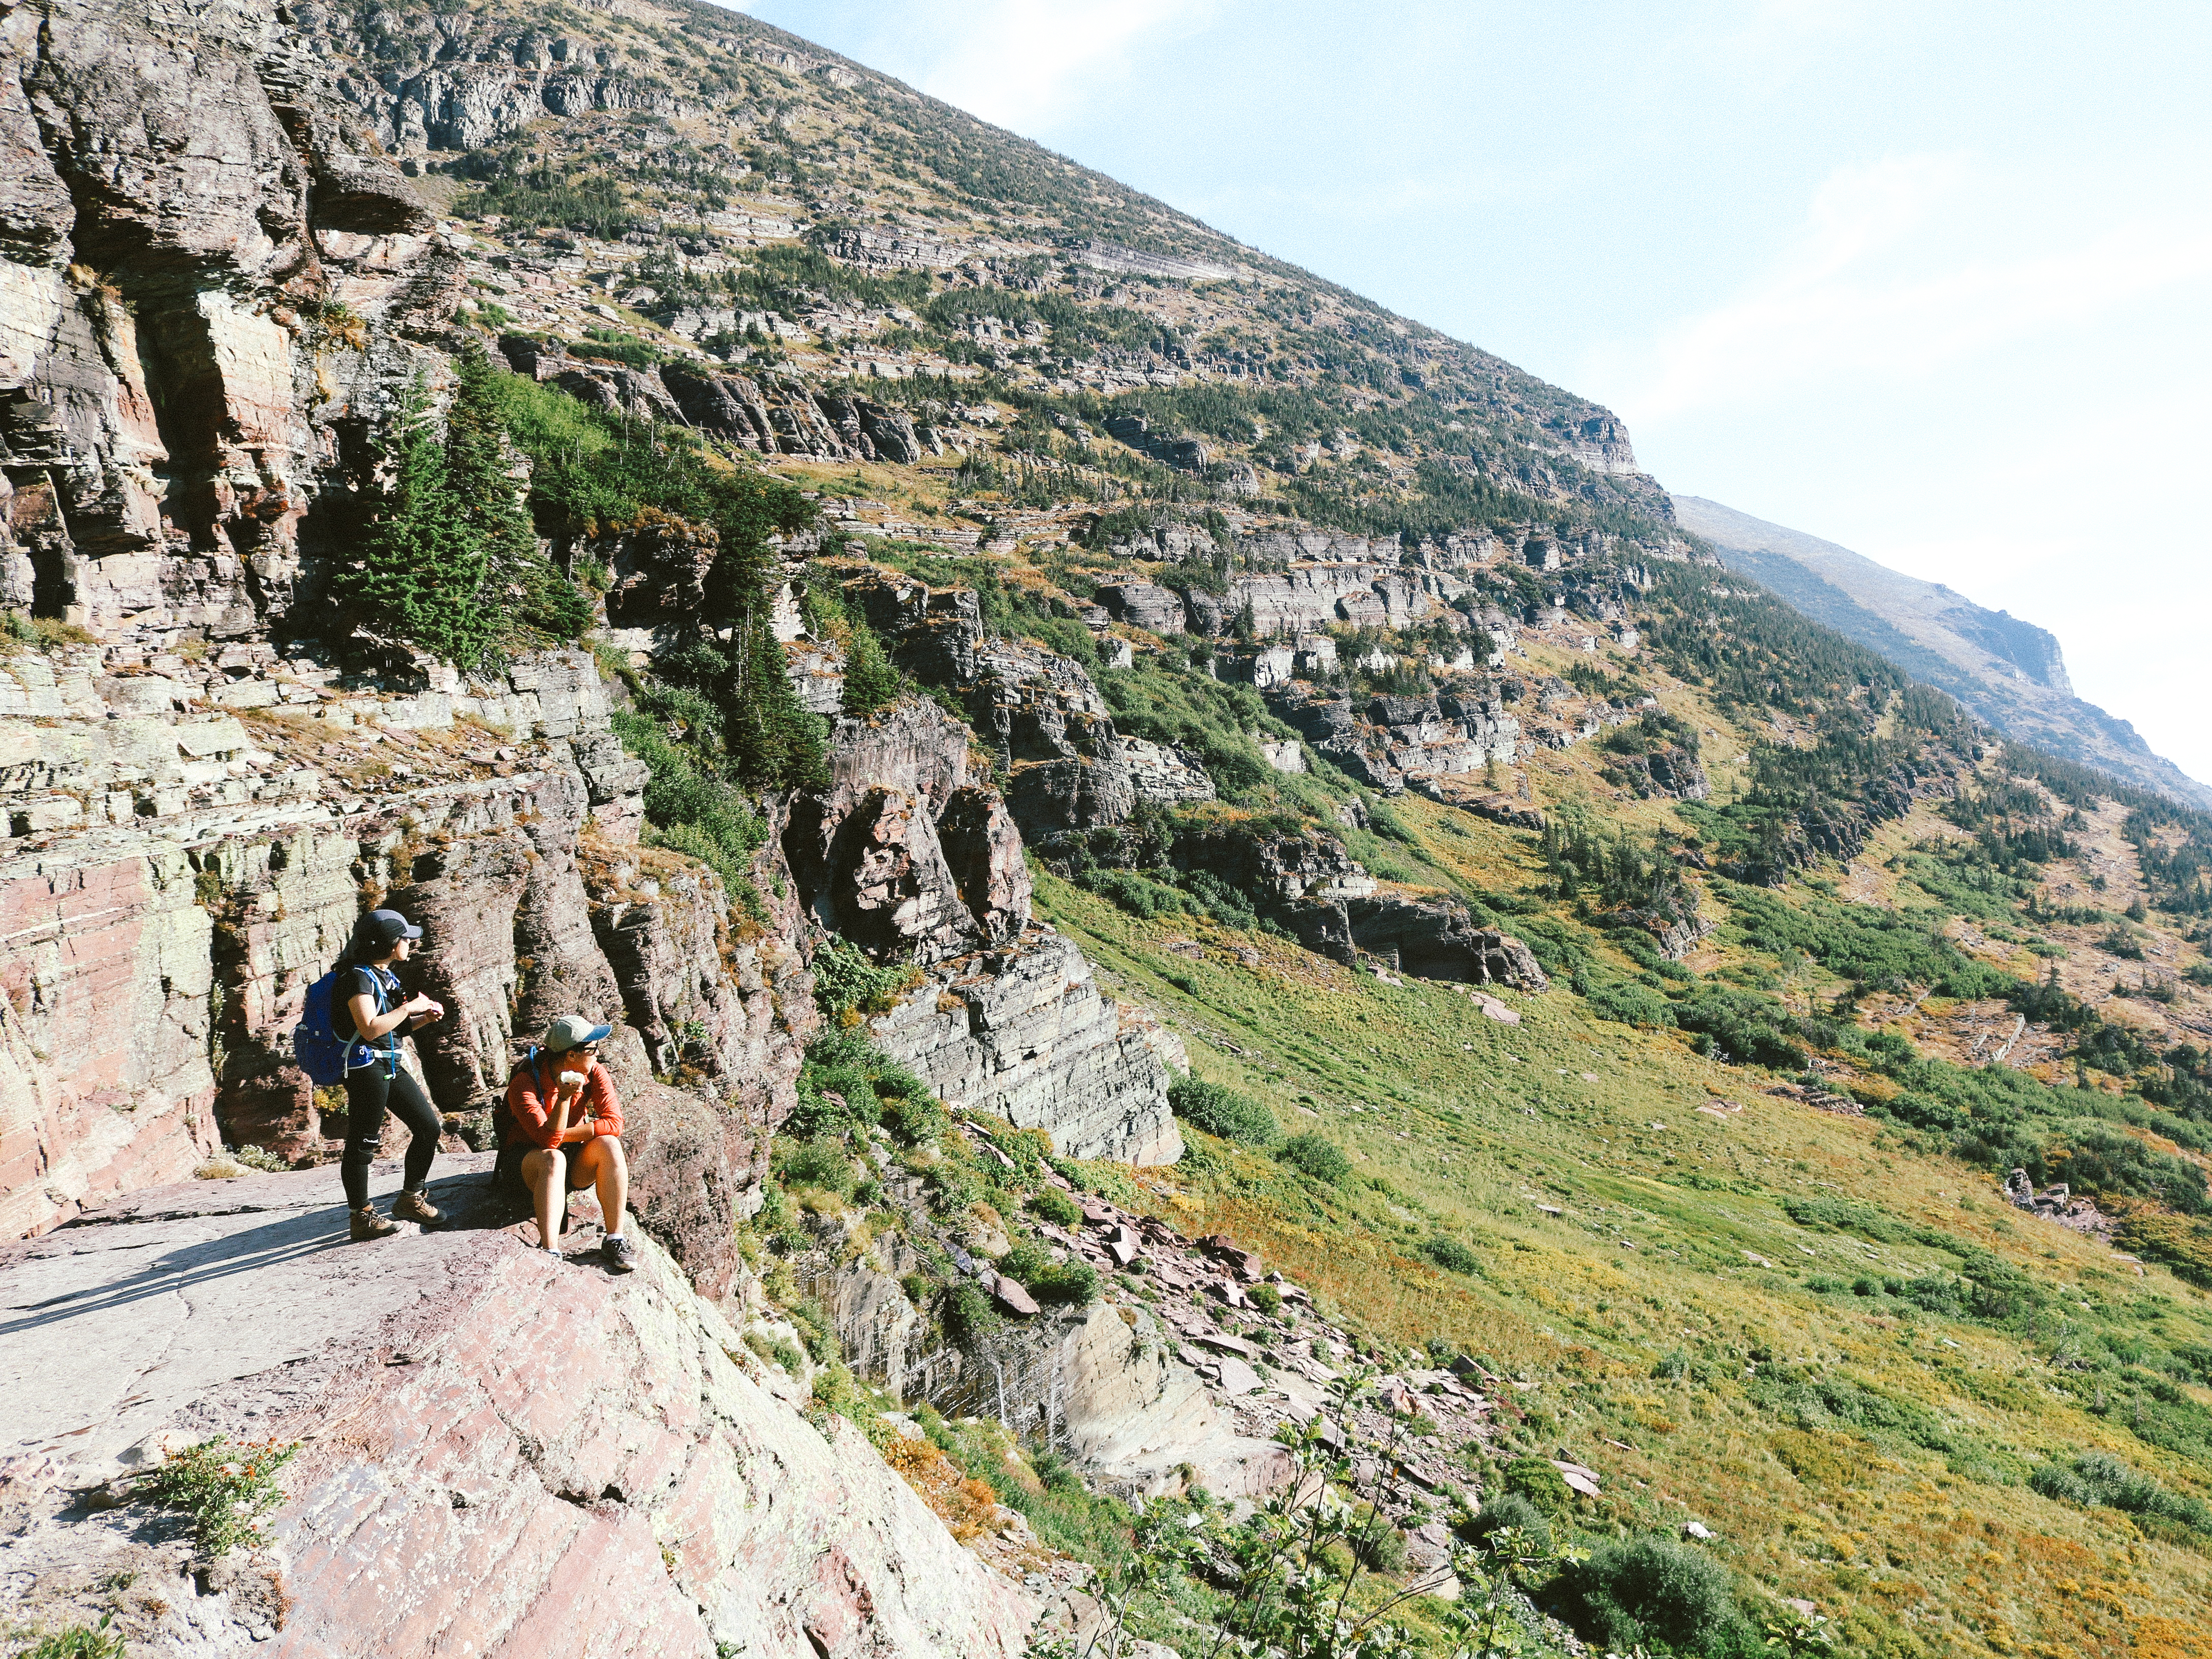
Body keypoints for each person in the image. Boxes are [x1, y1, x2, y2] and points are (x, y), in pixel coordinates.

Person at [337, 909, 449, 1242]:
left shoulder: (383, 975)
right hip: (364, 1067)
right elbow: (369, 1029)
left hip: (388, 1061)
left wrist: (423, 1018)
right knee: (363, 1143)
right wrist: (408, 1008)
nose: (411, 942)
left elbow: (393, 1030)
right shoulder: (356, 977)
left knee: (428, 1127)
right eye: (405, 937)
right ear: (387, 942)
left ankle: (410, 1199)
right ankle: (362, 1217)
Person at [495, 1015, 636, 1271]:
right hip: (527, 1165)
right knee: (553, 1157)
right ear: (571, 1055)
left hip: (567, 1159)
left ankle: (615, 1239)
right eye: (593, 1049)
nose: (597, 1054)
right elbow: (547, 1141)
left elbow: (615, 1123)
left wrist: (566, 1133)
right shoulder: (524, 1083)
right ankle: (550, 1250)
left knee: (610, 1144)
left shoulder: (593, 1072)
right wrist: (563, 1099)